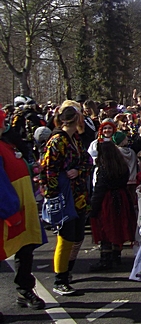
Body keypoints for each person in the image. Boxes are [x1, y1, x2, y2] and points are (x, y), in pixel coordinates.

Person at [39, 100, 92, 296]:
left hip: (78, 194)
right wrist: (53, 196)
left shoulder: (75, 139)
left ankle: (67, 272)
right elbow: (48, 171)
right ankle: (60, 279)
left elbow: (87, 160)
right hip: (63, 196)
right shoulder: (57, 141)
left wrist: (78, 170)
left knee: (77, 235)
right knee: (66, 235)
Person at [0, 107, 46, 314]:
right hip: (7, 211)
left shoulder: (8, 143)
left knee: (25, 248)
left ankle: (24, 289)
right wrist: (10, 212)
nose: (4, 125)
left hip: (22, 206)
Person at [89, 139, 136, 271]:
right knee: (118, 226)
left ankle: (106, 260)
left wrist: (93, 208)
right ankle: (116, 255)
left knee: (106, 228)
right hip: (122, 197)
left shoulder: (104, 169)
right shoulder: (122, 167)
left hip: (108, 200)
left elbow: (100, 189)